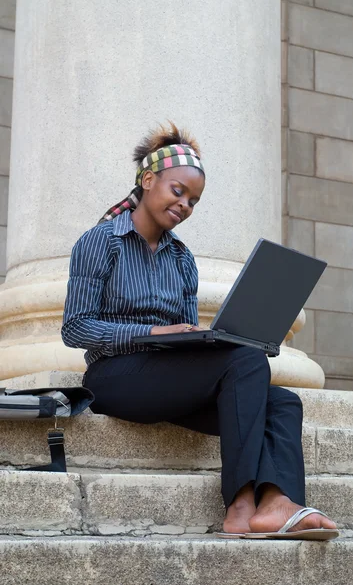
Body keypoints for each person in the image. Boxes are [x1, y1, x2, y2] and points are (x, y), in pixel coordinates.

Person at [61, 123, 338, 540]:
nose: (185, 205)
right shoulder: (101, 242)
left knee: (282, 401)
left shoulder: (183, 259)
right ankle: (241, 504)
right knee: (244, 361)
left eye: (193, 200)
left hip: (169, 378)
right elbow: (76, 328)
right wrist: (154, 334)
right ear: (148, 180)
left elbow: (186, 332)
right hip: (113, 378)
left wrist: (213, 337)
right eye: (178, 191)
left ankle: (278, 501)